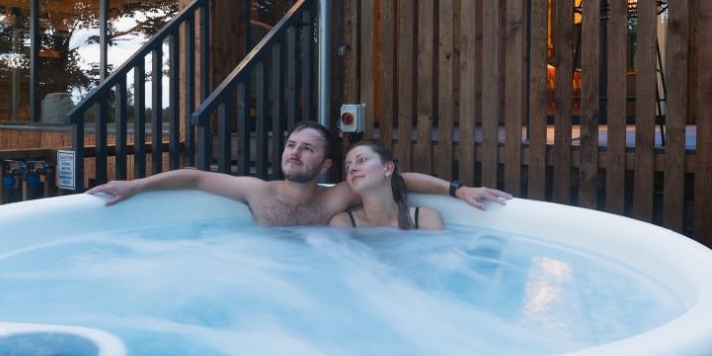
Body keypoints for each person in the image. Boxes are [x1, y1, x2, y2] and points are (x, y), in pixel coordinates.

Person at [89, 120, 508, 226]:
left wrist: (457, 189)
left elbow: (397, 179)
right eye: (291, 145)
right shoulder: (257, 192)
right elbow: (195, 177)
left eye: (307, 149)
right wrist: (136, 185)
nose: (294, 153)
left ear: (325, 164)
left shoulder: (335, 198)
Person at [329, 139, 444, 230]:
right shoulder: (343, 224)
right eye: (348, 166)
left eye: (362, 160)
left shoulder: (425, 219)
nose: (352, 168)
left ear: (388, 168)